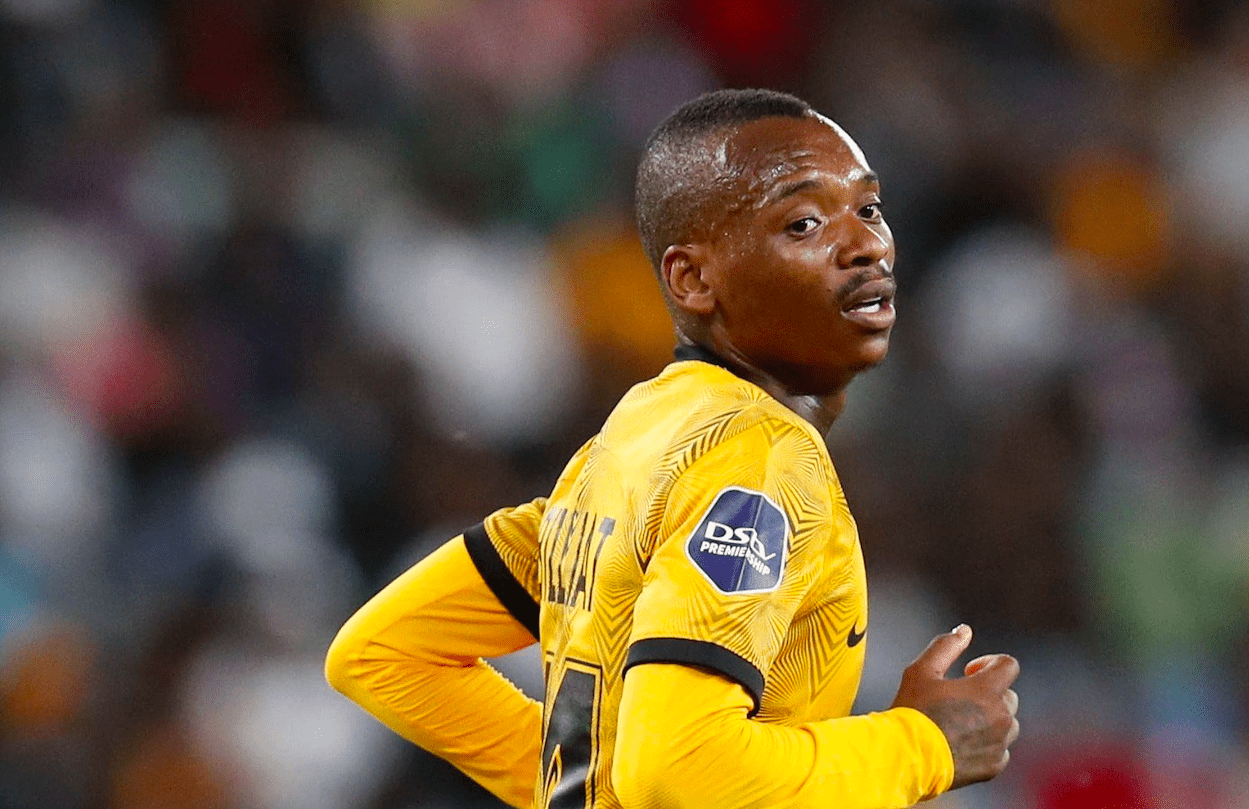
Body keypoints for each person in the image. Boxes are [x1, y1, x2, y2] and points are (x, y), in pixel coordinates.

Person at [326, 88, 1020, 809]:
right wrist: (923, 745)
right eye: (805, 222)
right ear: (693, 279)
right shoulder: (759, 455)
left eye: (869, 209)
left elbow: (385, 652)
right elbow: (681, 769)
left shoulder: (629, 439)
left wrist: (593, 790)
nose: (867, 245)